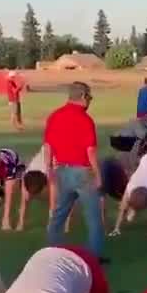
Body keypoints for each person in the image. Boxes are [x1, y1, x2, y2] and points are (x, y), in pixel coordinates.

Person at [45, 82, 107, 262]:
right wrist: (98, 175)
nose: (90, 101)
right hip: (82, 172)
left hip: (62, 170)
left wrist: (49, 168)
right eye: (89, 97)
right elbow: (90, 151)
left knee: (59, 214)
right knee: (93, 218)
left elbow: (48, 145)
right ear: (82, 96)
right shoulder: (85, 120)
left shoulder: (55, 116)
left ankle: (53, 251)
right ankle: (93, 257)